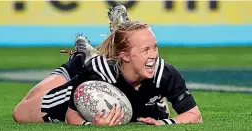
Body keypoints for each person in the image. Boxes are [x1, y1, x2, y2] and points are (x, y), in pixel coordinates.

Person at [13, 5, 203, 126]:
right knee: (21, 111)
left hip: (132, 95)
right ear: (125, 56)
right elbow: (71, 115)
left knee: (154, 108)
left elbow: (195, 116)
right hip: (89, 85)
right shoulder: (98, 71)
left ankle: (124, 36)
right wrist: (90, 125)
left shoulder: (164, 73)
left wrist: (166, 123)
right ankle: (78, 61)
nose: (154, 55)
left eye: (155, 47)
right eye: (146, 50)